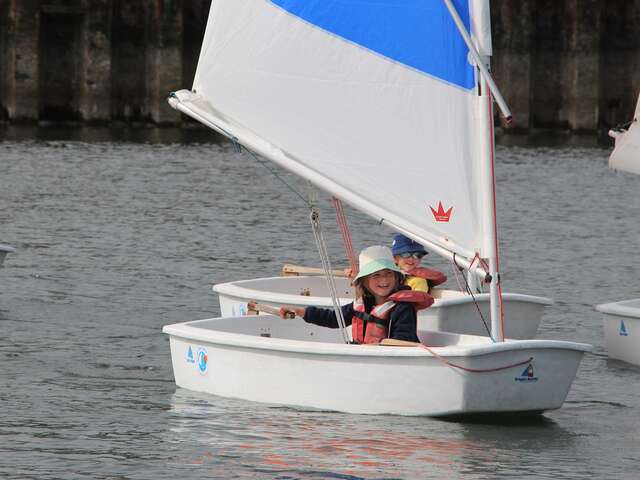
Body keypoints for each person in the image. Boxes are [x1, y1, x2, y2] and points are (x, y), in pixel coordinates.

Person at [276, 245, 433, 344]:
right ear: (364, 281)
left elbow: (404, 341)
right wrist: (299, 311)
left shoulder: (402, 308)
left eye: (388, 274)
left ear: (397, 277)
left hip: (388, 365)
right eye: (376, 275)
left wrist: (380, 343)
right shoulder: (362, 304)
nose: (384, 280)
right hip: (367, 361)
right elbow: (333, 319)